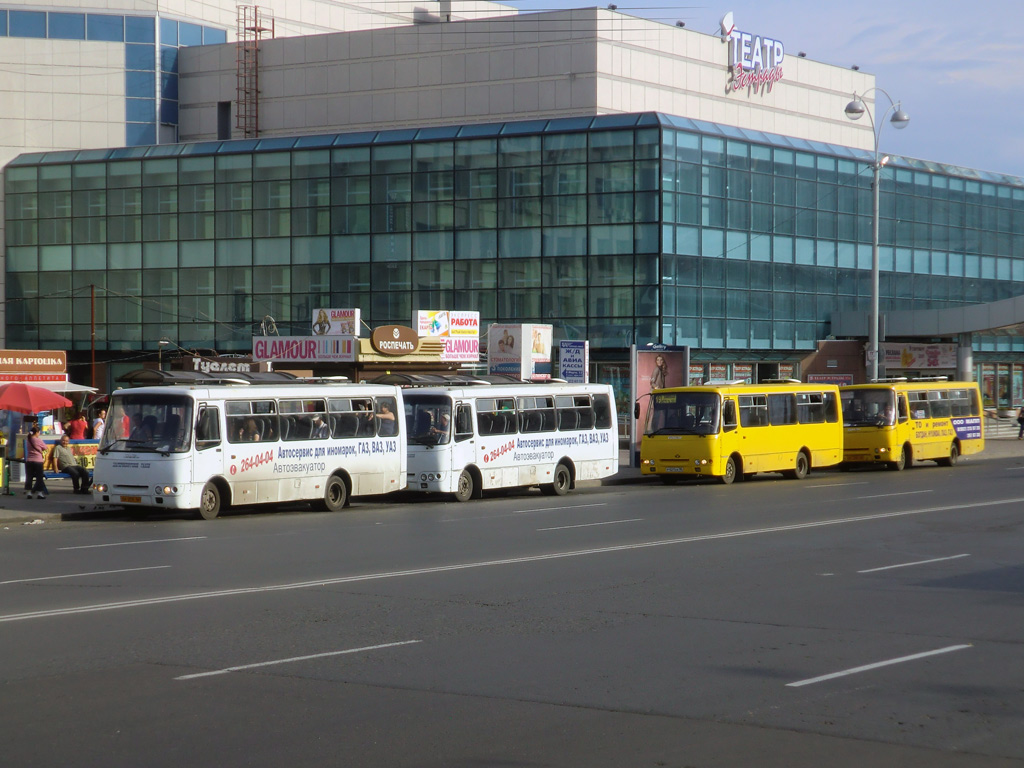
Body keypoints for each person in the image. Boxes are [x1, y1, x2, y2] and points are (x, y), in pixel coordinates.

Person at [24, 425, 49, 499]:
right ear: (37, 432)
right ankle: (39, 493)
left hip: (29, 461)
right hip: (38, 461)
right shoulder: (38, 440)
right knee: (39, 477)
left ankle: (29, 492)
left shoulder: (28, 439)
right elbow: (45, 447)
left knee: (29, 477)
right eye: (39, 432)